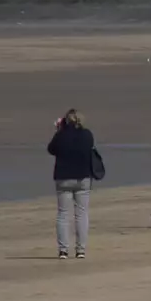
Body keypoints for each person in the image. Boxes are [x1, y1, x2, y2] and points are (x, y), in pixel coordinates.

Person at [47, 109, 96, 259]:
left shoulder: (61, 136)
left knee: (63, 214)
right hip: (82, 178)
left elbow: (51, 149)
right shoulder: (87, 135)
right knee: (81, 214)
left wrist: (59, 130)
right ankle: (80, 249)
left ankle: (63, 250)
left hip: (63, 178)